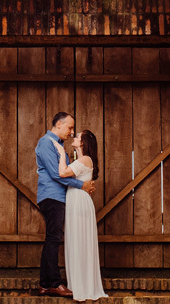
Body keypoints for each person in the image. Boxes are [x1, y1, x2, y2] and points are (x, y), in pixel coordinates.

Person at [36, 112, 96, 297]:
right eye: (70, 127)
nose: (71, 132)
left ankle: (46, 284)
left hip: (59, 197)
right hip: (52, 197)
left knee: (53, 238)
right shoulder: (47, 143)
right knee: (53, 238)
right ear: (59, 124)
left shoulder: (58, 145)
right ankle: (53, 283)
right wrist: (82, 185)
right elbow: (56, 174)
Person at [56, 129, 107, 301]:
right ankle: (79, 285)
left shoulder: (85, 159)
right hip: (76, 200)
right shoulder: (81, 160)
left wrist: (61, 154)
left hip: (79, 202)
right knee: (77, 241)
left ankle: (81, 287)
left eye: (78, 136)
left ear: (84, 142)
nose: (74, 137)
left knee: (79, 241)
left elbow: (62, 173)